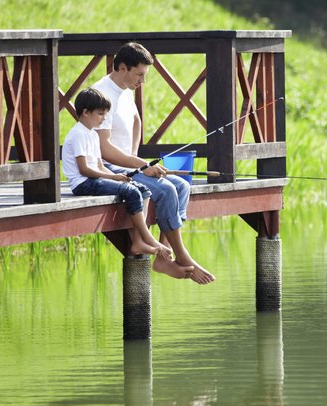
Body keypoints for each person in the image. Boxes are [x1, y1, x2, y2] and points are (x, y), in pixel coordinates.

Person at [93, 42, 215, 285]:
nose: (142, 82)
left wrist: (134, 158)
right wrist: (139, 165)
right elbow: (104, 149)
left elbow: (136, 119)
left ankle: (162, 256)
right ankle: (182, 256)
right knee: (166, 189)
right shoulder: (102, 94)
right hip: (109, 169)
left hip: (128, 164)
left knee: (181, 185)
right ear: (123, 67)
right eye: (139, 74)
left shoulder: (126, 89)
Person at [62, 88, 173, 261]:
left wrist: (121, 176)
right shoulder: (78, 134)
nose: (104, 118)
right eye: (100, 114)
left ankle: (138, 240)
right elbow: (84, 169)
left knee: (142, 189)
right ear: (85, 112)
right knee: (131, 192)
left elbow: (98, 165)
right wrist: (113, 177)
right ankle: (147, 238)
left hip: (95, 178)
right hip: (83, 183)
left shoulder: (92, 134)